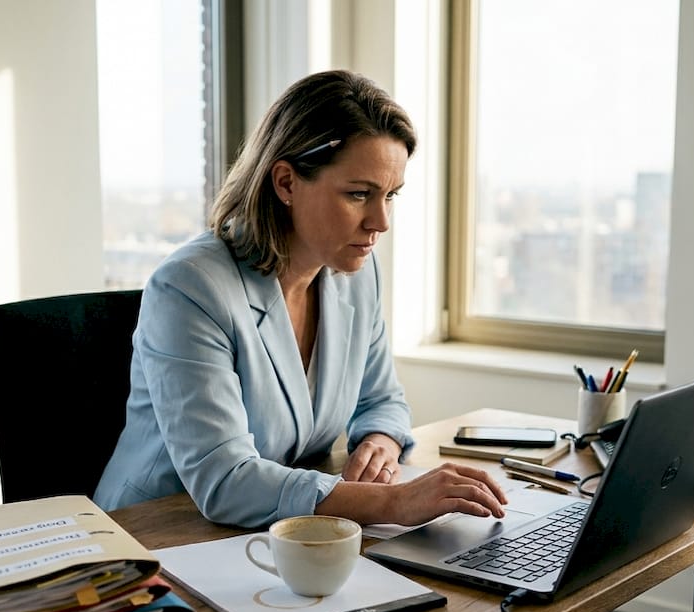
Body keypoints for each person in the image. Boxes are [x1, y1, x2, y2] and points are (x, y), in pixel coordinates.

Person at [92, 69, 507, 531]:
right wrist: (394, 503)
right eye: (358, 194)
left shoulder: (357, 273)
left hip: (276, 532)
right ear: (286, 183)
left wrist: (379, 443)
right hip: (158, 532)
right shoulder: (190, 288)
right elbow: (224, 479)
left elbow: (383, 399)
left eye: (391, 195)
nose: (380, 222)